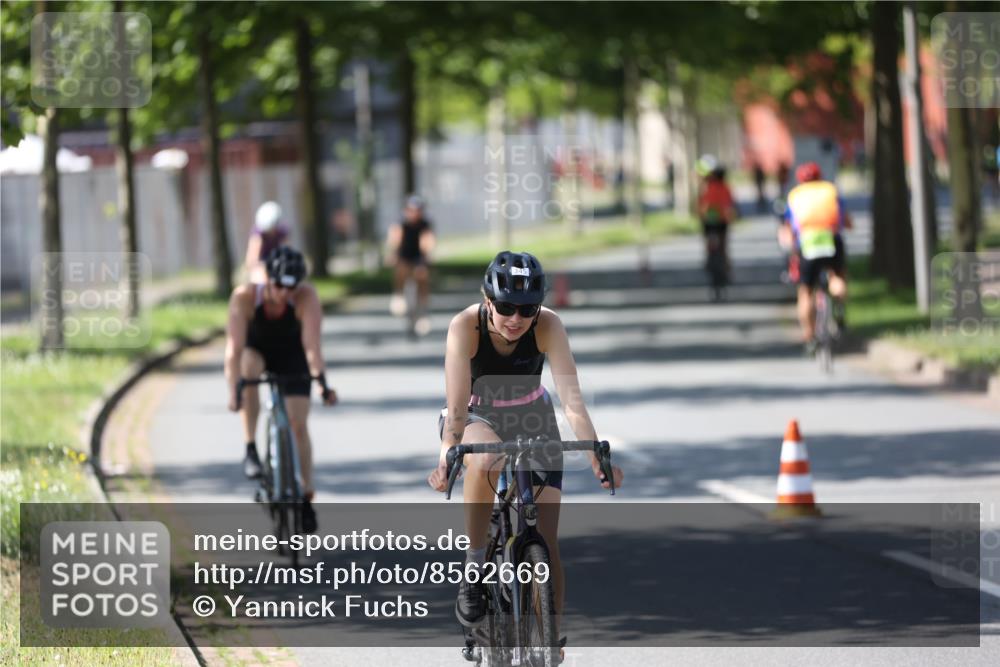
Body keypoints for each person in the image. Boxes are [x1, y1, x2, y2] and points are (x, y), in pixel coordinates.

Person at [427, 251, 623, 638]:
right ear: (488, 302)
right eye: (505, 307)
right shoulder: (465, 326)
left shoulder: (548, 326)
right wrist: (446, 459)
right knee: (486, 461)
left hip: (532, 416)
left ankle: (550, 638)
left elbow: (573, 403)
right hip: (476, 415)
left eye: (527, 308)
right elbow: (455, 407)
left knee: (546, 543)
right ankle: (475, 563)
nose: (516, 318)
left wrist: (596, 457)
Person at [224, 246, 337, 533]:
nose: (285, 294)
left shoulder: (306, 297)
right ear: (267, 280)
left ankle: (306, 497)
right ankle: (250, 447)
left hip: (292, 356)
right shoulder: (245, 297)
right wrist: (233, 389)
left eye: (292, 287)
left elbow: (312, 347)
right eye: (279, 286)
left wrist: (322, 382)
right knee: (248, 368)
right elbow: (233, 350)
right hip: (257, 352)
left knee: (298, 425)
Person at [779, 162, 853, 350]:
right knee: (837, 276)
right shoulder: (830, 191)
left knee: (805, 292)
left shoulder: (795, 195)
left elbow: (788, 227)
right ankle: (840, 311)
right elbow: (846, 220)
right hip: (831, 239)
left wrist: (789, 244)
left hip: (808, 243)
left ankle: (810, 336)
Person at [385, 194, 436, 336]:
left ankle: (423, 312)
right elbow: (394, 239)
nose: (415, 213)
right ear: (406, 210)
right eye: (412, 209)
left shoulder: (425, 224)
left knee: (423, 274)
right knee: (401, 269)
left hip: (418, 256)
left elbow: (428, 240)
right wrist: (392, 253)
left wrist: (428, 256)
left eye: (418, 209)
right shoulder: (400, 223)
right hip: (403, 256)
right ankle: (399, 294)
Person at [696, 155, 737, 273]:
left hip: (709, 221)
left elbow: (701, 205)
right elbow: (730, 205)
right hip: (722, 220)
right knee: (723, 244)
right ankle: (725, 264)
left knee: (708, 240)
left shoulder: (707, 187)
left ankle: (709, 258)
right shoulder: (725, 188)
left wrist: (702, 216)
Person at [244, 201, 289, 284]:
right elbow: (251, 261)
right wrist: (266, 267)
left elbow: (287, 254)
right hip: (262, 267)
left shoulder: (282, 232)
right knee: (260, 278)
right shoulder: (257, 234)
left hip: (278, 265)